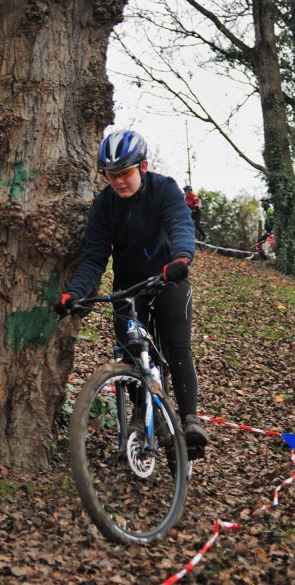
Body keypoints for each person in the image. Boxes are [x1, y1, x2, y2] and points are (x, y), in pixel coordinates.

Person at [54, 130, 209, 458]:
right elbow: (94, 258)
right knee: (129, 355)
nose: (119, 181)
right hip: (128, 288)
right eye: (112, 175)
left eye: (125, 173)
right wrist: (74, 293)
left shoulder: (163, 189)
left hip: (169, 277)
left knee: (177, 348)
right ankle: (140, 418)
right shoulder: (103, 206)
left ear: (143, 166)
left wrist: (181, 258)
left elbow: (181, 224)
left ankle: (190, 420)